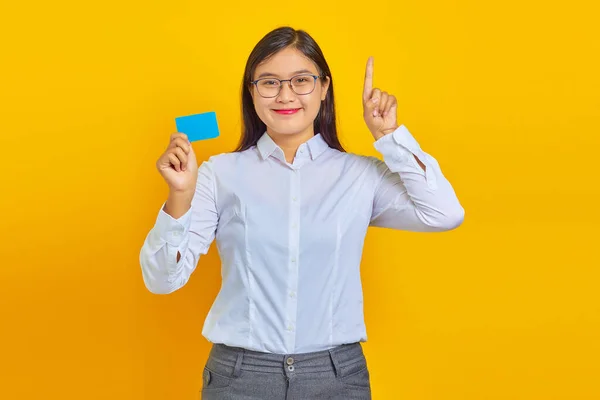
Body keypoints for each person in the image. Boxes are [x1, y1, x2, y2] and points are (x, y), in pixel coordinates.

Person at [139, 26, 464, 400]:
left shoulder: (360, 175)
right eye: (269, 82)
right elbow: (162, 280)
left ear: (324, 88)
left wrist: (389, 136)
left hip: (336, 378)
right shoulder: (218, 174)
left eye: (301, 81)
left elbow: (444, 213)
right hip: (240, 379)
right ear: (252, 91)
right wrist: (179, 195)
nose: (285, 95)